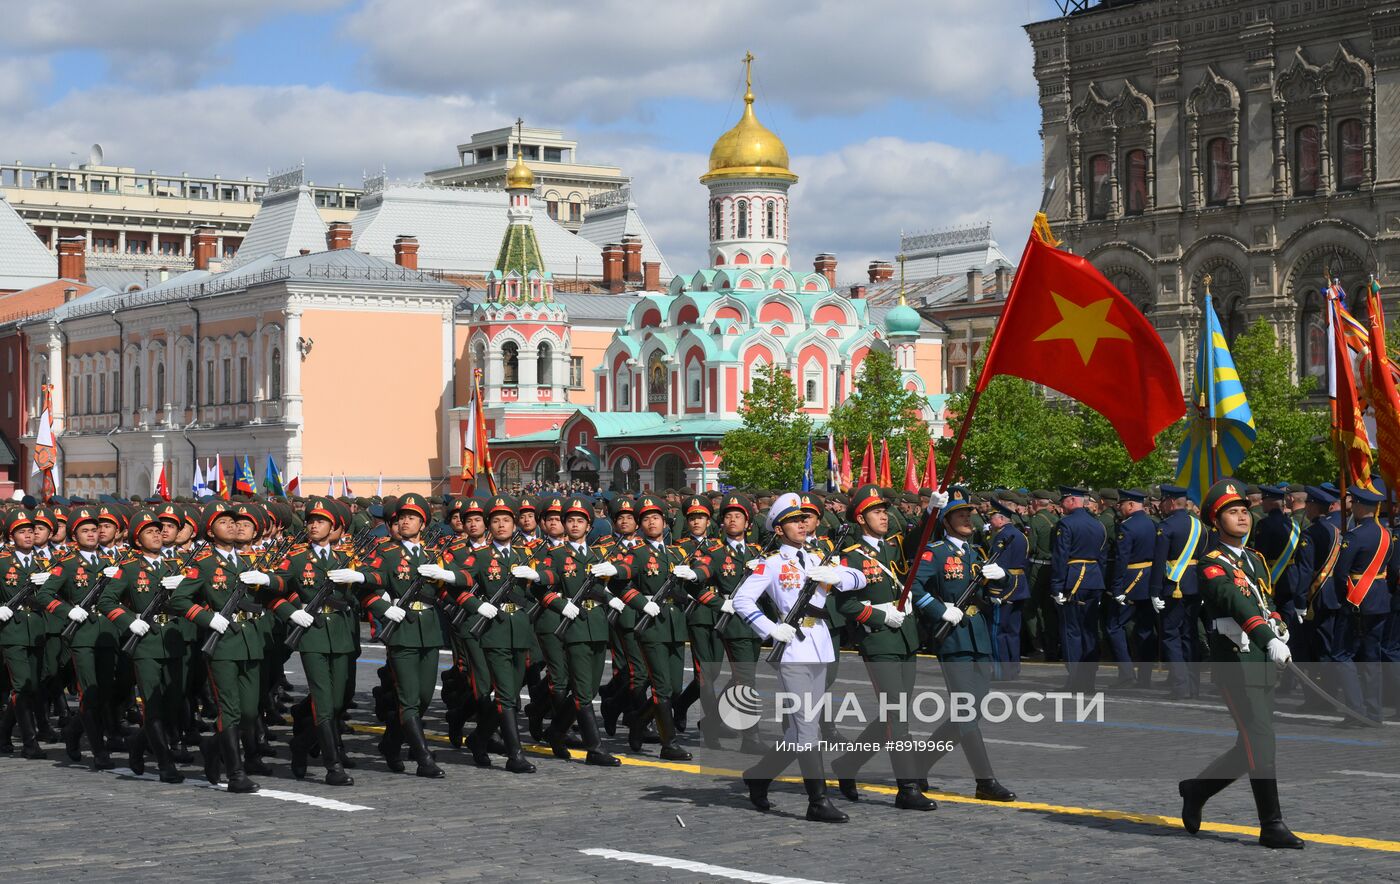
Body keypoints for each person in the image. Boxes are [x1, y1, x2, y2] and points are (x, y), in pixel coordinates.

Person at [1178, 479, 1304, 850]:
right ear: (1216, 521)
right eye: (1232, 512)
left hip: (1261, 660)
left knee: (1251, 743)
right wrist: (1268, 638)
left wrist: (1279, 628)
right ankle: (1272, 824)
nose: (1242, 517)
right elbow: (1237, 604)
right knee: (1261, 739)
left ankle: (1197, 789)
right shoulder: (1211, 564)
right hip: (1236, 660)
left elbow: (1264, 602)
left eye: (1244, 510)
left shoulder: (1254, 560)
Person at [734, 492, 860, 823]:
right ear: (778, 529)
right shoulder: (772, 564)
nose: (802, 524)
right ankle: (817, 801)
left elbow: (859, 577)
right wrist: (769, 629)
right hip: (792, 648)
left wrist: (838, 576)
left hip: (819, 644)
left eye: (804, 518)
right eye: (793, 520)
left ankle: (759, 776)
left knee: (799, 732)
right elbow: (742, 601)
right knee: (806, 728)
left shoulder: (820, 557)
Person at [828, 484, 933, 810]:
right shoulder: (850, 556)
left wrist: (933, 512)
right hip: (878, 638)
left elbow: (921, 540)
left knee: (894, 712)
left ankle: (847, 765)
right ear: (861, 518)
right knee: (896, 713)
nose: (884, 516)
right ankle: (907, 787)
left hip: (906, 636)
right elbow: (844, 605)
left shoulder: (894, 546)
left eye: (885, 510)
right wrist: (878, 615)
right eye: (877, 511)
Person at [909, 488, 1017, 803]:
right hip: (953, 635)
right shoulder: (936, 551)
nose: (968, 518)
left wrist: (1003, 577)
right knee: (966, 711)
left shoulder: (976, 553)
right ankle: (985, 781)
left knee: (974, 709)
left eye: (969, 513)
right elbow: (913, 584)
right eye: (960, 514)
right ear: (946, 519)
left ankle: (920, 763)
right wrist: (939, 609)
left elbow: (998, 591)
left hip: (978, 634)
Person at [96, 508, 202, 784]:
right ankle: (165, 763)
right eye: (149, 532)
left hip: (174, 640)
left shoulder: (176, 566)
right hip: (146, 643)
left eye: (158, 530)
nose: (156, 535)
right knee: (154, 705)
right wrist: (129, 621)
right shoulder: (129, 569)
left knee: (174, 702)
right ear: (137, 539)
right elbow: (106, 601)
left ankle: (138, 744)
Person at [265, 496, 359, 786]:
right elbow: (275, 589)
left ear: (333, 527)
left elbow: (367, 587)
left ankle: (301, 744)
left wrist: (363, 576)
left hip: (342, 632)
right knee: (323, 700)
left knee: (341, 698)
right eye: (311, 521)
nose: (314, 525)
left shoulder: (347, 557)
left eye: (321, 521)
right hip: (313, 634)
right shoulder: (296, 557)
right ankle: (333, 766)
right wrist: (293, 612)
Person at [527, 495, 620, 766]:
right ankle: (595, 748)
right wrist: (558, 603)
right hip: (574, 626)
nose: (575, 525)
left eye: (580, 521)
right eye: (570, 521)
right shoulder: (555, 554)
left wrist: (610, 596)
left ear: (589, 526)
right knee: (581, 690)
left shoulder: (596, 555)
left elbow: (600, 585)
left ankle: (556, 731)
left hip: (598, 626)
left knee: (589, 689)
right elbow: (541, 586)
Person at [606, 494, 692, 760]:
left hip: (675, 624)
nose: (651, 522)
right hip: (651, 625)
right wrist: (641, 603)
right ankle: (669, 744)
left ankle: (638, 721)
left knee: (675, 687)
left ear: (664, 522)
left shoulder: (678, 551)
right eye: (645, 519)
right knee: (662, 688)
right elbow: (620, 580)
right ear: (640, 525)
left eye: (655, 517)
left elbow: (696, 579)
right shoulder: (638, 553)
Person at [0, 509, 71, 760]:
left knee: (31, 686)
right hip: (13, 631)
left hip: (38, 629)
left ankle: (4, 731)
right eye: (22, 531)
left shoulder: (46, 562)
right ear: (11, 536)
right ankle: (30, 743)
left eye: (31, 531)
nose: (29, 535)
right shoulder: (2, 561)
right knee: (22, 685)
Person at [1051, 487, 1108, 692]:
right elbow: (1102, 558)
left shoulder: (1065, 524)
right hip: (1094, 580)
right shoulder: (1098, 524)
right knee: (1090, 632)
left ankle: (1075, 681)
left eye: (1064, 500)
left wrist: (1057, 586)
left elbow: (1060, 556)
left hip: (1073, 580)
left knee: (1072, 632)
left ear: (1073, 500)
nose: (1061, 505)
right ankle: (1089, 681)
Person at [1106, 489, 1160, 688]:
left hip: (1131, 579)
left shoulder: (1127, 527)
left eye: (1121, 504)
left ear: (1130, 505)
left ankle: (1127, 674)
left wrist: (1117, 587)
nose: (1119, 508)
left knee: (1114, 626)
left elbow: (1122, 559)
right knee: (1145, 628)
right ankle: (1145, 677)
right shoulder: (1153, 524)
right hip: (1149, 578)